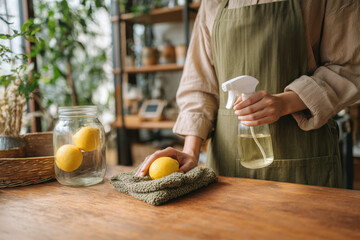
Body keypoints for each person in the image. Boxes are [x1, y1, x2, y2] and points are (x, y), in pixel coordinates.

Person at [135, 0, 360, 187]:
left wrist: (285, 102)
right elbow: (199, 86)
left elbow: (349, 66)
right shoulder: (211, 3)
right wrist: (190, 151)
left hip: (303, 164)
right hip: (227, 167)